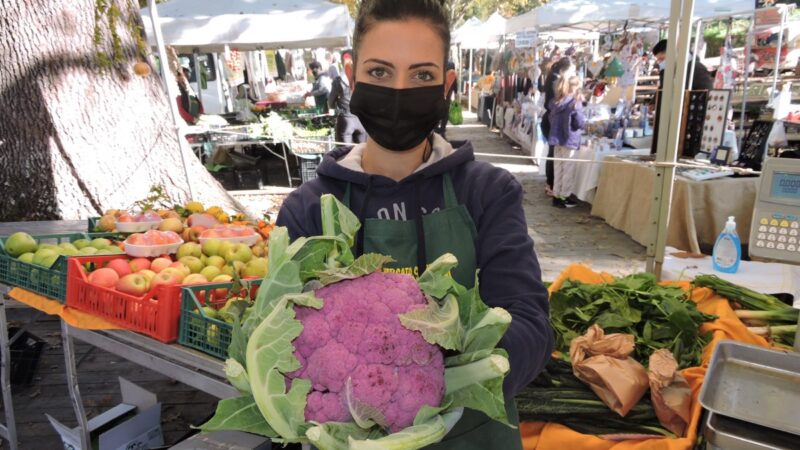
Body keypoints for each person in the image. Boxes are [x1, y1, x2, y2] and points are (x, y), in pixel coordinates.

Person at [276, 0, 553, 447]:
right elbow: (280, 342)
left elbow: (530, 323)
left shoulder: (487, 193)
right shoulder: (309, 209)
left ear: (446, 85)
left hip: (472, 434)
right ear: (352, 76)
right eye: (381, 73)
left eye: (422, 75)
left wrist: (435, 387)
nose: (400, 91)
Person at [651, 39, 714, 154]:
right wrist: (654, 102)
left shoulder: (696, 68)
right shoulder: (669, 69)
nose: (660, 63)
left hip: (691, 121)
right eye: (658, 60)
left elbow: (707, 94)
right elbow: (664, 88)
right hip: (674, 120)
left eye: (662, 59)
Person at [547, 75, 586, 209]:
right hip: (570, 139)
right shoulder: (574, 103)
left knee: (558, 167)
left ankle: (556, 195)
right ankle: (564, 196)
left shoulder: (556, 102)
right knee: (568, 169)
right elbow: (580, 123)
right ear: (575, 87)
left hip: (557, 138)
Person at [541, 57, 573, 196]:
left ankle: (551, 184)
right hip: (552, 121)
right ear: (563, 70)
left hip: (549, 119)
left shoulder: (552, 78)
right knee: (553, 154)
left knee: (552, 153)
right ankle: (552, 185)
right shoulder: (556, 81)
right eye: (571, 71)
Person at [328, 51, 367, 144]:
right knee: (362, 153)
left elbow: (331, 101)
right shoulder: (364, 78)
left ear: (341, 62)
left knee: (345, 154)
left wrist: (333, 107)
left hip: (345, 120)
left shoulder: (338, 80)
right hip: (362, 120)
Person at [435, 61, 458, 138]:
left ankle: (436, 128)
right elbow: (455, 88)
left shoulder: (442, 75)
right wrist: (456, 96)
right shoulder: (453, 75)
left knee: (438, 112)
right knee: (445, 113)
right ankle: (442, 129)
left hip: (439, 98)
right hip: (447, 99)